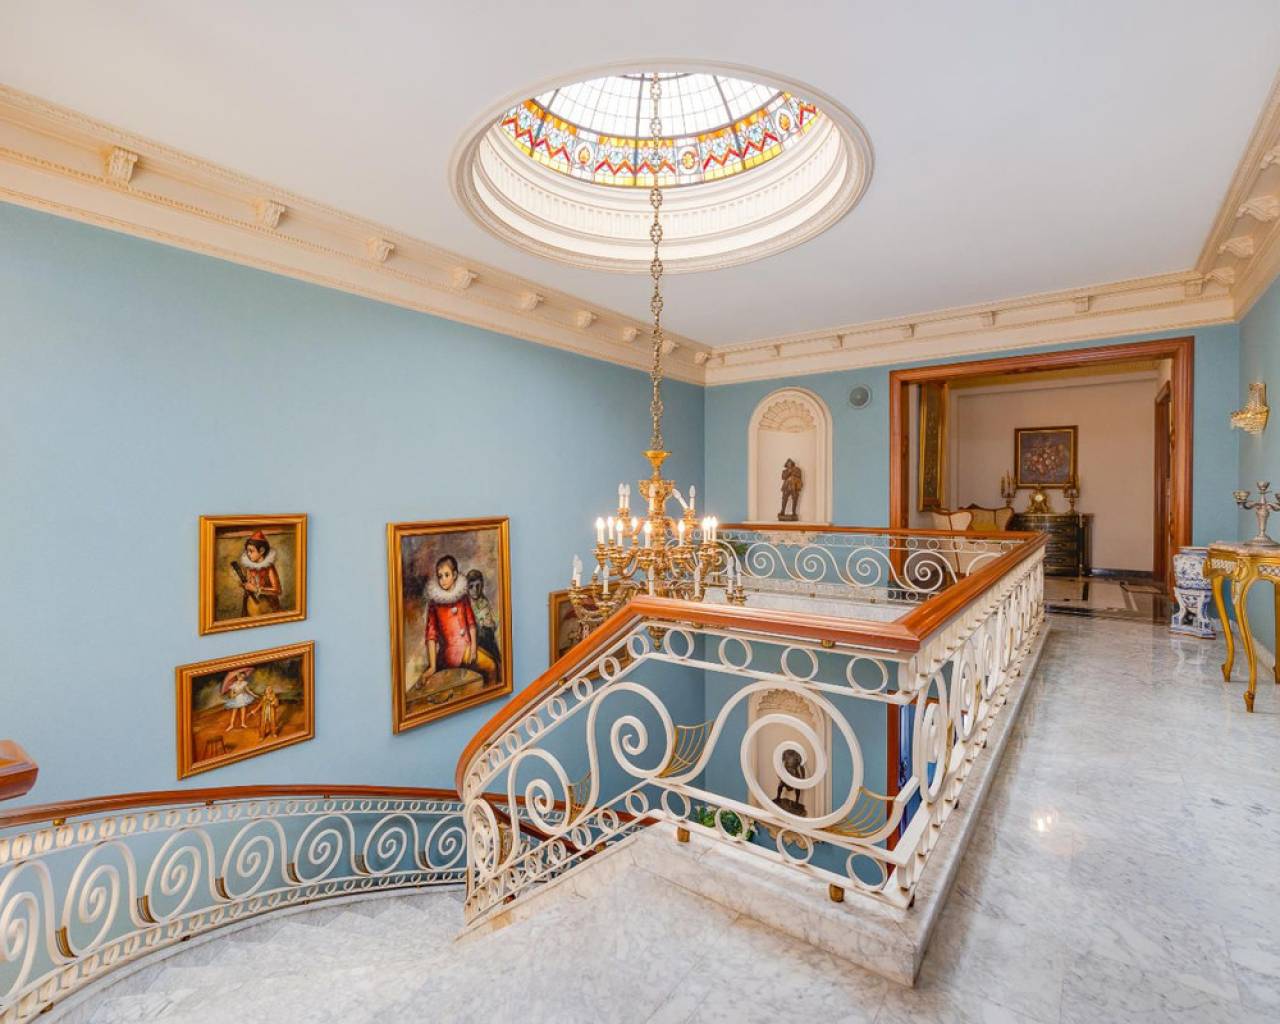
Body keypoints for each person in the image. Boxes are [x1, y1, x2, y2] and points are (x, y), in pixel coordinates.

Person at [424, 555, 498, 686]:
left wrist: (473, 648)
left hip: (468, 647)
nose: (443, 580)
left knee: (495, 664)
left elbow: (471, 624)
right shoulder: (434, 604)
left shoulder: (463, 598)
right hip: (451, 653)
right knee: (491, 667)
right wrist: (432, 666)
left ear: (454, 575)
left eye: (446, 575)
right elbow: (431, 636)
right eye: (440, 576)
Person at [235, 531, 282, 617]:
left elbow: (277, 590)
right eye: (247, 551)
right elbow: (250, 586)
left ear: (261, 551)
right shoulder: (249, 567)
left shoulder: (269, 568)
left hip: (268, 607)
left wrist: (257, 589)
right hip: (252, 607)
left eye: (251, 551)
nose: (248, 554)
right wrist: (245, 586)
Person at [466, 568, 501, 663]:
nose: (475, 590)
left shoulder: (484, 601)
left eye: (478, 586)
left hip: (486, 640)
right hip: (472, 642)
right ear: (467, 588)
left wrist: (491, 624)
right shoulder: (466, 604)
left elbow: (493, 622)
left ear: (482, 586)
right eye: (471, 587)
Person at [220, 667, 259, 734]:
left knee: (243, 711)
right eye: (241, 677)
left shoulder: (244, 683)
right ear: (238, 677)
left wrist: (254, 695)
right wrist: (237, 693)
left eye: (243, 677)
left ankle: (243, 723)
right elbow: (231, 696)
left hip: (243, 699)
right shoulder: (233, 685)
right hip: (236, 700)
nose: (242, 678)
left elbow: (248, 691)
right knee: (234, 713)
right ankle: (231, 725)